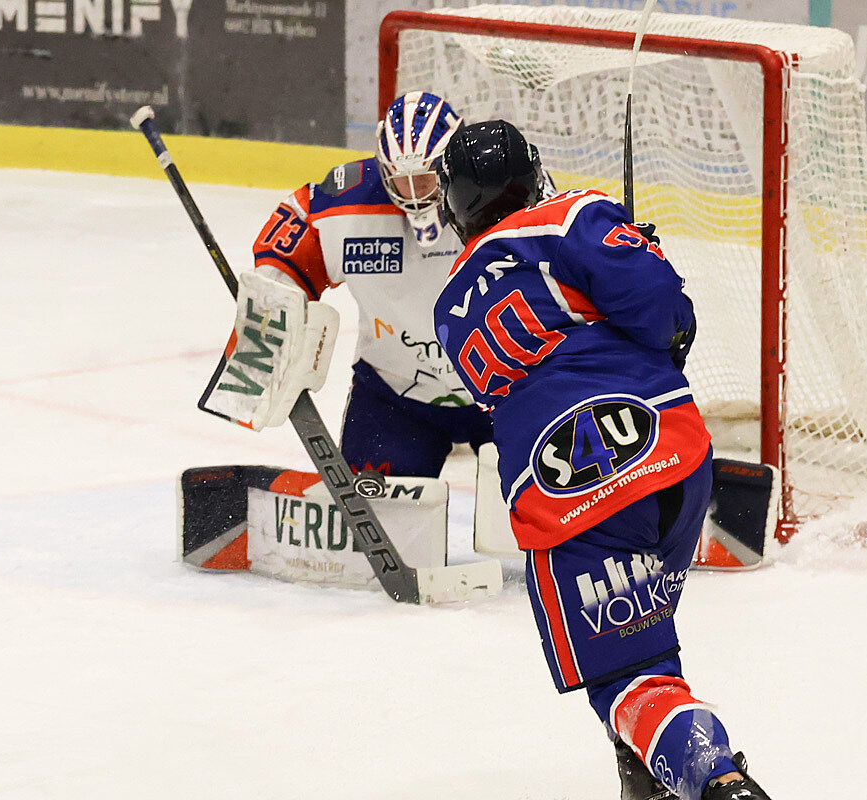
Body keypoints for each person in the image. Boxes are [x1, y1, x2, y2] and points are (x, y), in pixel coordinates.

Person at [431, 119, 773, 800]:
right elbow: (665, 316)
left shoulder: (448, 308)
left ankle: (717, 781)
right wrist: (643, 257)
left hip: (573, 503)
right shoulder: (573, 216)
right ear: (533, 175)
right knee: (646, 651)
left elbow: (511, 392)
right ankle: (652, 783)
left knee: (631, 679)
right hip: (673, 459)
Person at [247, 91, 492, 477]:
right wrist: (272, 308)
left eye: (424, 178)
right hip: (395, 394)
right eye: (400, 180)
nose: (415, 195)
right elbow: (290, 245)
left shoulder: (498, 196)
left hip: (506, 390)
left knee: (548, 506)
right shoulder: (349, 207)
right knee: (377, 510)